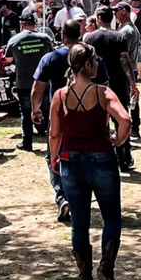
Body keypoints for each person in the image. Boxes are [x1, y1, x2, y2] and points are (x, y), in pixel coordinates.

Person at [49, 43, 131, 280]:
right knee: (112, 217)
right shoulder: (102, 92)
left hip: (71, 162)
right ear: (87, 65)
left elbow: (54, 133)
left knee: (79, 223)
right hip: (101, 158)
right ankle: (106, 266)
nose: (97, 65)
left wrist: (54, 159)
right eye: (95, 61)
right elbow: (125, 119)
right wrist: (119, 139)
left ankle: (85, 279)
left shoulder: (60, 95)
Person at [33, 19, 91, 223]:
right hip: (87, 113)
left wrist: (35, 109)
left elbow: (38, 87)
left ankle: (62, 196)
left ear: (63, 34)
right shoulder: (91, 58)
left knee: (54, 155)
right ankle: (78, 197)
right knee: (84, 154)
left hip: (58, 111)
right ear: (80, 33)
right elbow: (104, 84)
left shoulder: (50, 58)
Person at [82, 12, 137, 172]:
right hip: (117, 82)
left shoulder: (89, 38)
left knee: (97, 120)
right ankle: (124, 157)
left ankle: (100, 156)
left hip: (95, 83)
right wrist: (132, 82)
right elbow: (125, 60)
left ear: (98, 19)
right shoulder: (119, 37)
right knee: (121, 118)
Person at [5, 13, 55, 152]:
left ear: (21, 24)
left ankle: (27, 142)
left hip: (24, 82)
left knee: (26, 113)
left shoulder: (14, 40)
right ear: (35, 23)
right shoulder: (45, 39)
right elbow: (52, 55)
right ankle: (52, 140)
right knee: (47, 111)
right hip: (43, 81)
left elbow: (7, 60)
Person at [113, 2, 141, 136]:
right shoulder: (127, 28)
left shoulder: (126, 31)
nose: (114, 13)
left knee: (126, 99)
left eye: (116, 11)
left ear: (124, 12)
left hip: (125, 70)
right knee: (131, 98)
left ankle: (130, 127)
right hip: (130, 69)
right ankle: (134, 126)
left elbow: (122, 55)